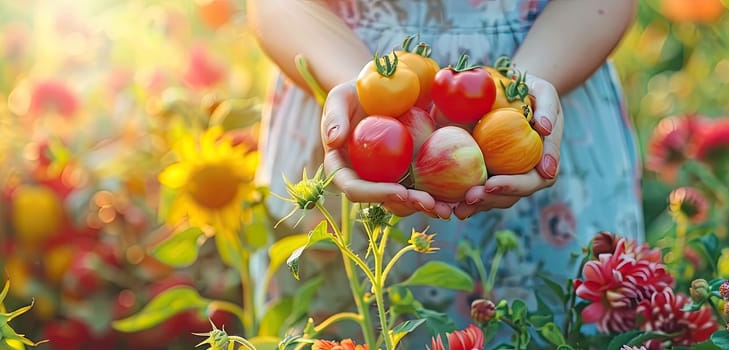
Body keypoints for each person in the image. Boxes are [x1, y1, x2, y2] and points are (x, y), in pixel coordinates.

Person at [248, 0, 642, 344]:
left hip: (548, 78)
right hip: (342, 88)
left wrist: (519, 92)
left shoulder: (517, 110)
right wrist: (360, 88)